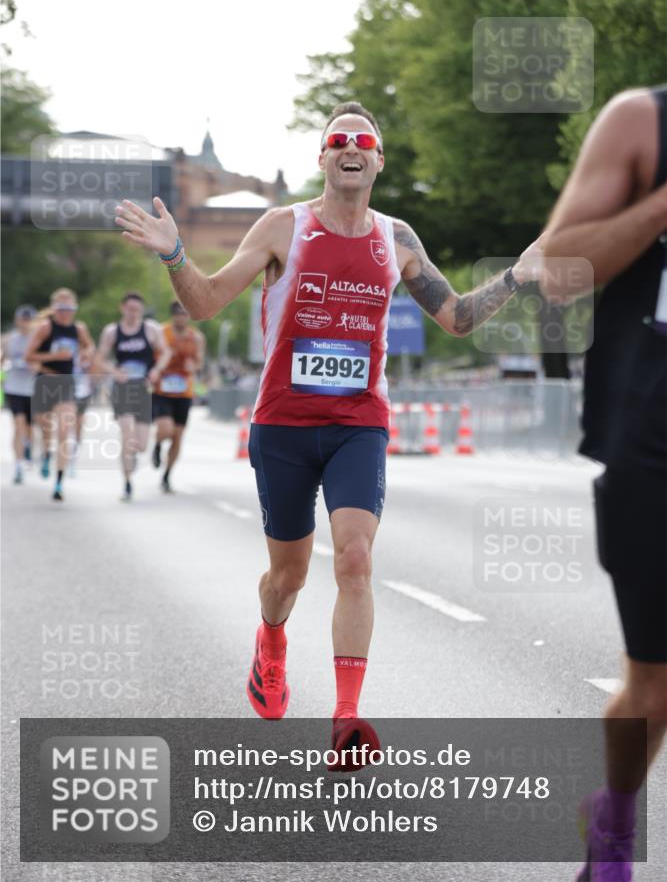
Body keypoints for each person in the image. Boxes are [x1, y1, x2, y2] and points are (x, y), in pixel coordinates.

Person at [115, 101, 542, 761]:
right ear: (322, 158)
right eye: (337, 139)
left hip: (358, 424)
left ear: (376, 160)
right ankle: (272, 640)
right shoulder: (282, 226)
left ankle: (346, 719)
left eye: (362, 141)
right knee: (286, 578)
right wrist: (173, 252)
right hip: (283, 424)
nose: (350, 147)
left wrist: (515, 277)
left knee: (354, 558)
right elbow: (204, 303)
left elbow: (455, 318)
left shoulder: (396, 239)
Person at [543, 85, 667, 881]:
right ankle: (616, 815)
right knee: (652, 686)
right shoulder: (642, 121)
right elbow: (557, 272)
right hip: (653, 437)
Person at [96, 293, 171, 501]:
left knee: (141, 444)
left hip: (143, 387)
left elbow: (165, 352)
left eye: (137, 309)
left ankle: (135, 457)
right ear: (123, 308)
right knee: (127, 434)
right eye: (130, 309)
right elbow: (100, 358)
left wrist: (156, 370)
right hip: (122, 387)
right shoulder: (112, 332)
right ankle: (127, 483)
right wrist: (114, 371)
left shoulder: (151, 329)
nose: (133, 313)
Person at [23, 288, 95, 501]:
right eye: (61, 309)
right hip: (45, 381)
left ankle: (59, 482)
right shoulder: (45, 328)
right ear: (54, 309)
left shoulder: (79, 329)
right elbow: (29, 356)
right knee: (46, 429)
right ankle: (46, 454)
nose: (65, 313)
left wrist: (85, 354)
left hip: (66, 382)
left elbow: (89, 346)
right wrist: (55, 354)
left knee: (65, 432)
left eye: (70, 309)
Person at [151, 300, 206, 493]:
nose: (182, 317)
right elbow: (151, 355)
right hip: (162, 390)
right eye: (178, 313)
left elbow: (200, 362)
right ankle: (157, 445)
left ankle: (167, 475)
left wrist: (194, 366)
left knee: (177, 436)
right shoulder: (161, 332)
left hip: (184, 391)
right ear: (173, 315)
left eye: (185, 313)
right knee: (165, 429)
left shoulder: (196, 337)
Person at [1, 304, 38, 484]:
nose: (25, 323)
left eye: (28, 320)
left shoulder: (38, 339)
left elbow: (44, 363)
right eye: (23, 320)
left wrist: (35, 366)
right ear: (17, 320)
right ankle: (17, 465)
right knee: (18, 424)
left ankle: (29, 448)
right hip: (14, 387)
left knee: (30, 427)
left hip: (32, 388)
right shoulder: (9, 340)